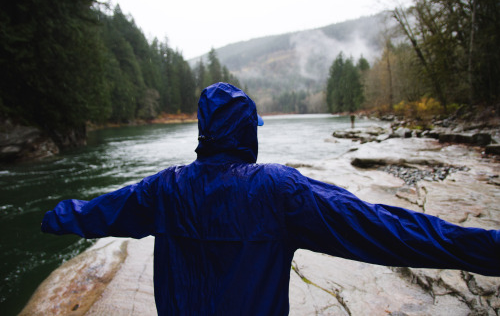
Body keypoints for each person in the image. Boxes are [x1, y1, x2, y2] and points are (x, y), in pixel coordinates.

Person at [42, 82, 499, 315]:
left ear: (203, 132)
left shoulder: (166, 188)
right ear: (247, 130)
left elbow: (97, 213)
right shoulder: (280, 190)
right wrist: (486, 248)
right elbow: (383, 229)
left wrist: (55, 216)